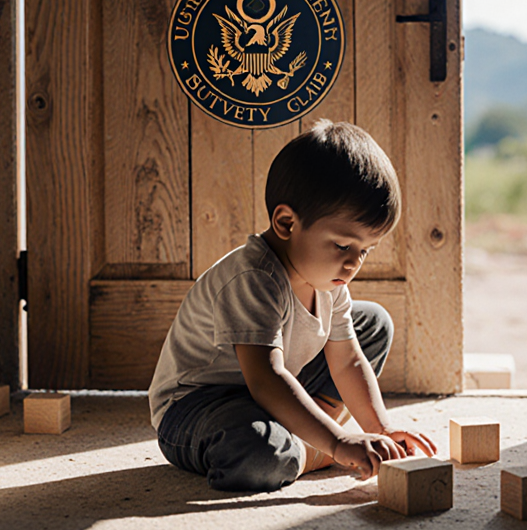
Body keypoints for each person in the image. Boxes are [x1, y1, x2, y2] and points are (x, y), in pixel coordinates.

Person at [149, 119, 436, 492]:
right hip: (199, 407)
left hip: (274, 391)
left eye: (364, 251)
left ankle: (308, 437)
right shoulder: (254, 278)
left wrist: (380, 428)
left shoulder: (330, 282)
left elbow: (347, 361)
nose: (353, 264)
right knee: (259, 453)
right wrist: (336, 442)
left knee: (373, 324)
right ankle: (314, 447)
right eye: (342, 245)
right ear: (286, 223)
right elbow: (266, 380)